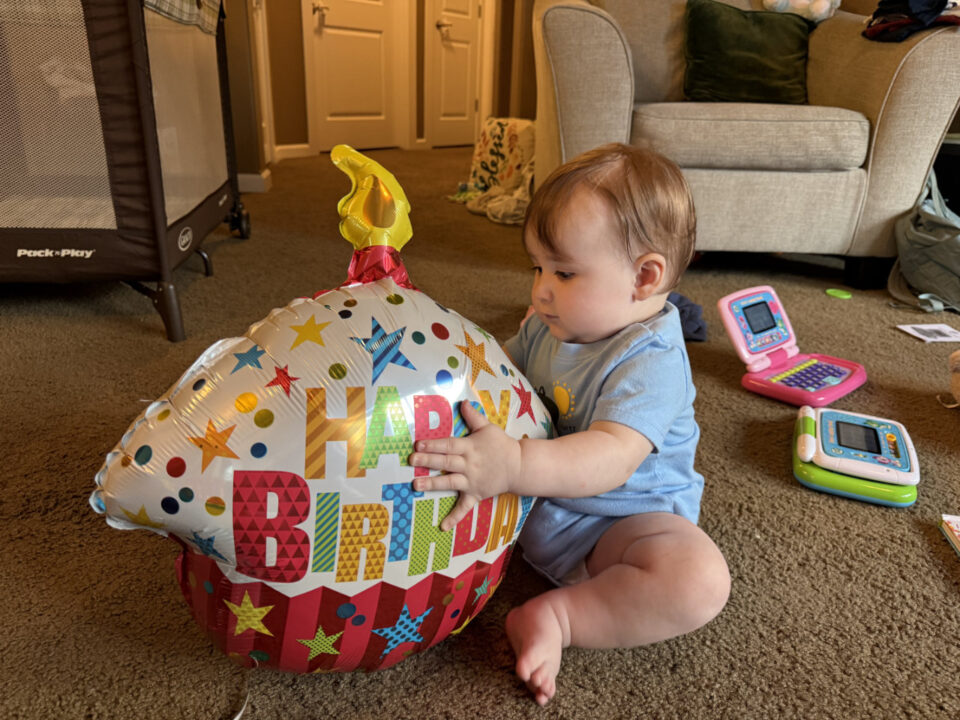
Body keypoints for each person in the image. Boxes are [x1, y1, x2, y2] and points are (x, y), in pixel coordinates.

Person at [409, 143, 730, 705]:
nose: (540, 289)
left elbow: (610, 456)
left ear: (644, 277)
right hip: (527, 501)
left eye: (564, 271)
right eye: (537, 267)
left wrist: (511, 465)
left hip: (619, 528)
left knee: (699, 580)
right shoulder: (549, 325)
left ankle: (560, 618)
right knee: (434, 465)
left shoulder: (651, 359)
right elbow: (491, 378)